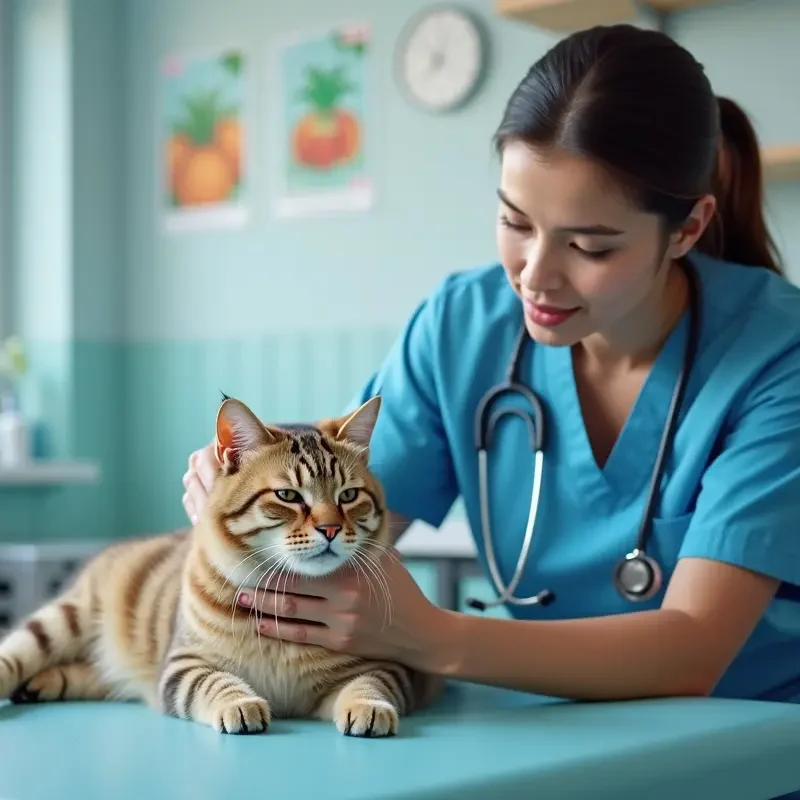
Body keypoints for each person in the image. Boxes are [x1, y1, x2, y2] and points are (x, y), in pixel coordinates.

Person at [182, 24, 800, 707]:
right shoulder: (460, 327)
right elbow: (340, 521)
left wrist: (428, 636)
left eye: (590, 247)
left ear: (686, 228)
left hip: (756, 749)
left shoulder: (778, 356)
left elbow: (692, 654)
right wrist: (244, 503)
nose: (535, 277)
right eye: (515, 221)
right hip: (557, 732)